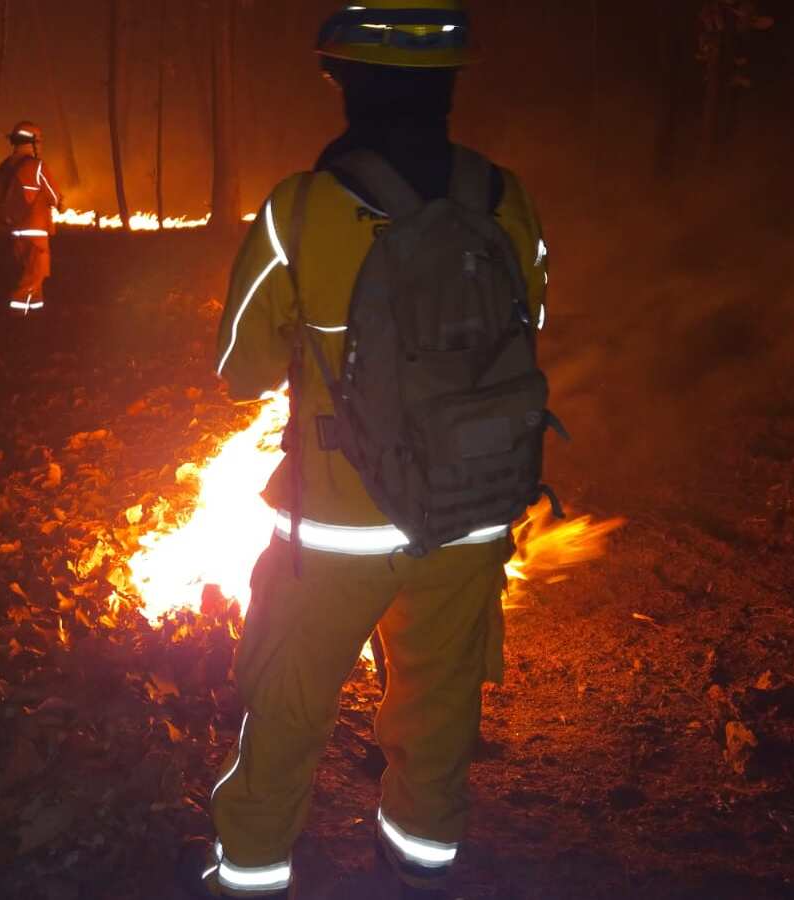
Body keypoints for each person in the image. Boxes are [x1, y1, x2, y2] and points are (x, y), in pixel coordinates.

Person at [192, 1, 551, 897]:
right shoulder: (505, 199)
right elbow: (530, 325)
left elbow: (241, 371)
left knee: (286, 706)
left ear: (344, 79)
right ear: (450, 83)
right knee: (441, 707)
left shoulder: (299, 209)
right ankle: (419, 868)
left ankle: (252, 875)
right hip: (471, 515)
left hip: (338, 533)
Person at [0, 121, 63, 314]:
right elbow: (54, 196)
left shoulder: (3, 167)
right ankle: (17, 316)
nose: (40, 146)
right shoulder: (37, 166)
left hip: (15, 232)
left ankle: (34, 314)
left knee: (29, 274)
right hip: (36, 232)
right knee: (34, 277)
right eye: (39, 141)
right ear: (31, 142)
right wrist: (60, 203)